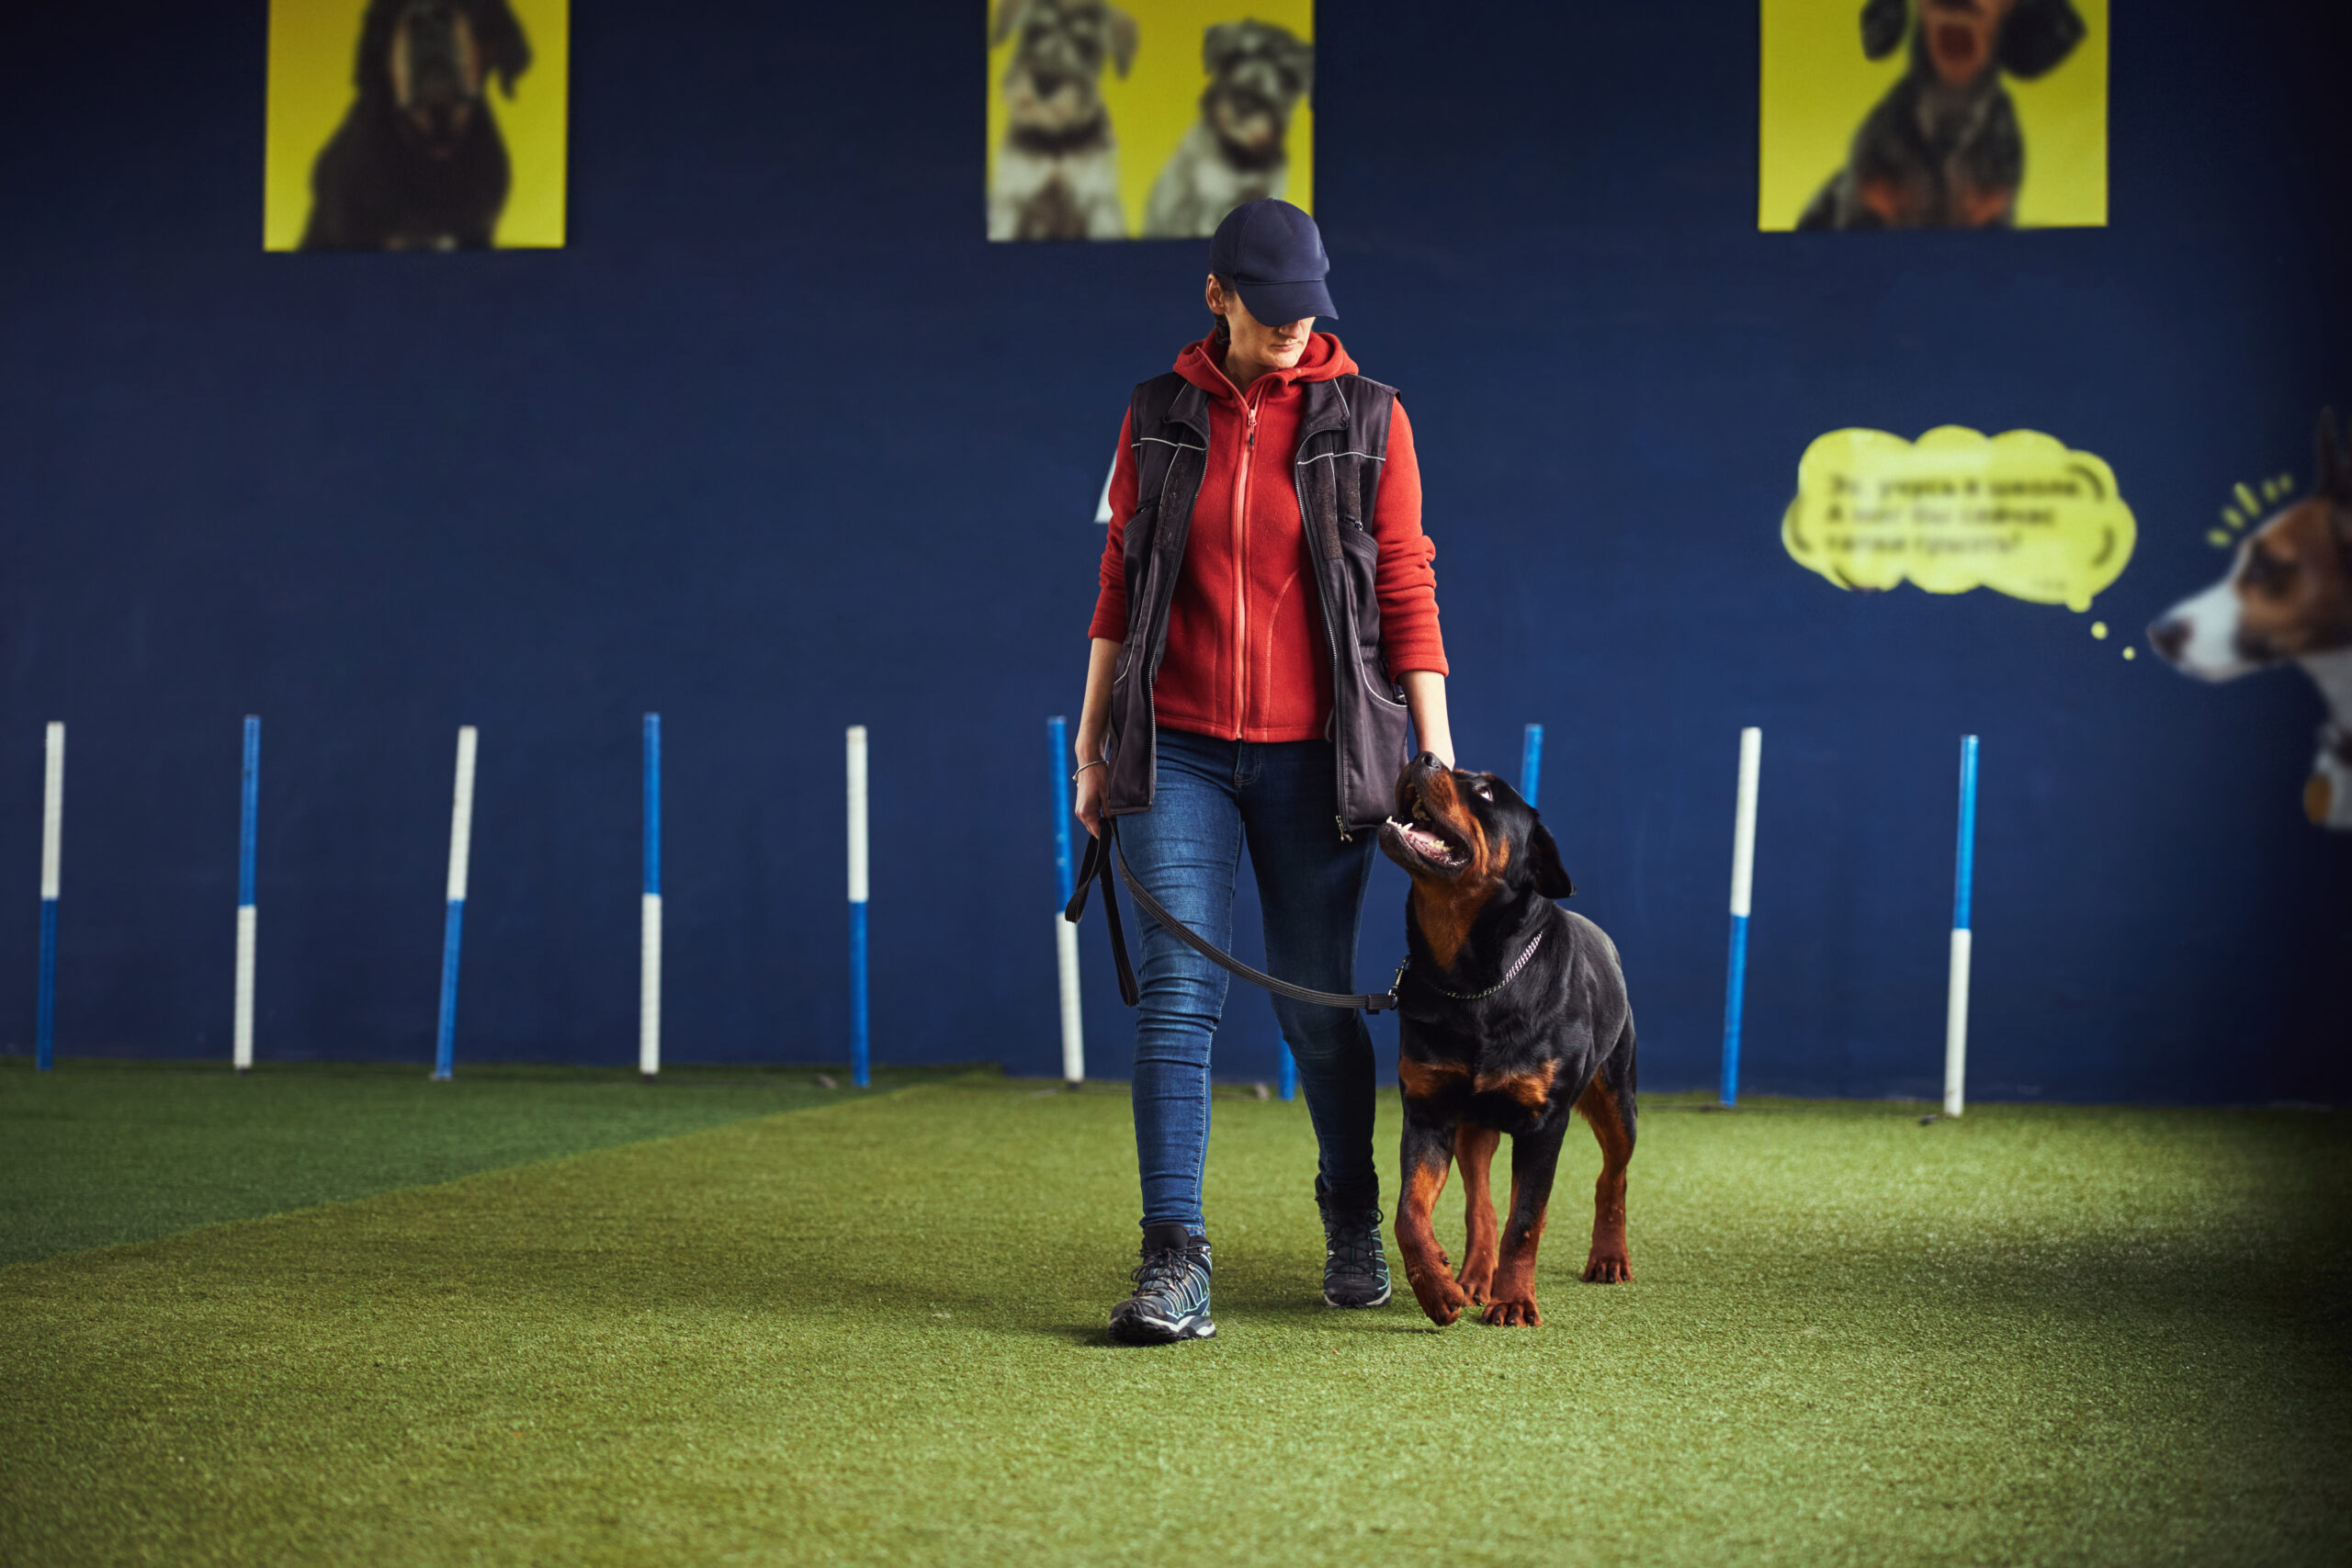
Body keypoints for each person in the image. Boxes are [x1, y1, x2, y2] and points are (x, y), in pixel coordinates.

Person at [1070, 199, 1453, 1344]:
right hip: (1172, 746)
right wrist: (1092, 745)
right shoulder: (1154, 417)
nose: (1295, 328)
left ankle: (1349, 1213)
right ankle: (1173, 1261)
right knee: (1179, 1000)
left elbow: (1406, 589)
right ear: (1217, 294)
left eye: (1310, 309)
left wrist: (1433, 753)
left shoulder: (1371, 420)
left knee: (1313, 1009)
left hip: (1318, 759)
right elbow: (1118, 590)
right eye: (1271, 307)